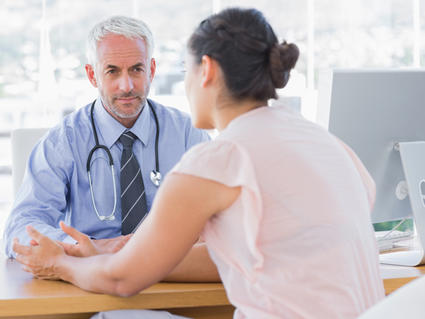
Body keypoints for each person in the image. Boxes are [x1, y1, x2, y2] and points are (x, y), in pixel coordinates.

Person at [13, 7, 385, 319]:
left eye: (186, 71)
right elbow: (235, 255)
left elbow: (121, 280)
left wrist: (60, 264)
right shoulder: (326, 141)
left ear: (205, 71)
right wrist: (103, 250)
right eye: (113, 72)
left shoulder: (217, 159)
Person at [4, 16, 209, 257]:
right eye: (112, 71)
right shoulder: (63, 142)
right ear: (92, 75)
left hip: (171, 271)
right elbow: (20, 229)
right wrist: (89, 247)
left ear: (151, 70)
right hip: (90, 274)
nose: (127, 86)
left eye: (136, 69)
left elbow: (222, 216)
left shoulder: (187, 133)